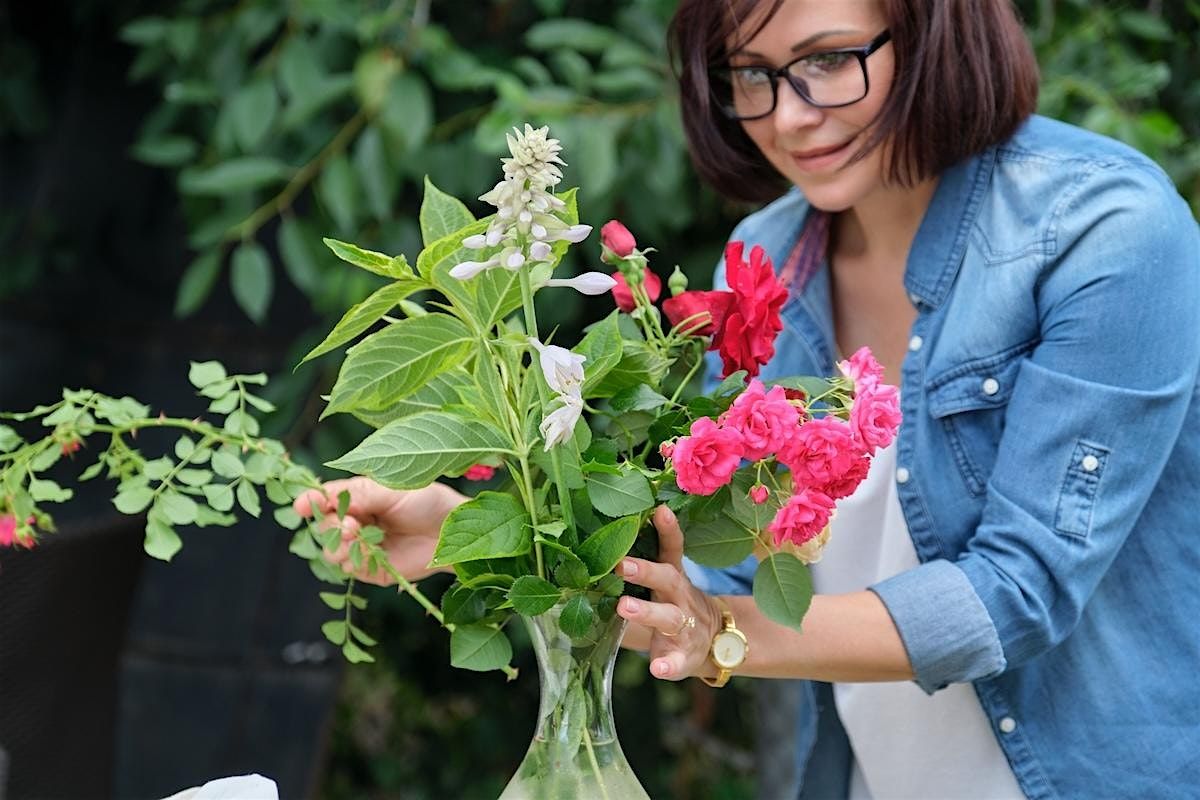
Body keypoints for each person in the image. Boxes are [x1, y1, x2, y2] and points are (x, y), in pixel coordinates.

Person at [298, 1, 1200, 797]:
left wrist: (726, 631)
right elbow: (715, 569)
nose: (790, 117)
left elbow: (1022, 588)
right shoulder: (764, 262)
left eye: (827, 61)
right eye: (750, 75)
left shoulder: (1103, 228)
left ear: (930, 27)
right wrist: (466, 533)